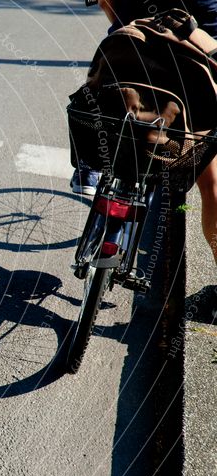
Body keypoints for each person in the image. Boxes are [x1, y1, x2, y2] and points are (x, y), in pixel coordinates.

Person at [72, 0, 217, 319]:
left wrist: (129, 23)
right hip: (191, 68)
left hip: (138, 56)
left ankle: (88, 165)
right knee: (212, 186)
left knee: (110, 100)